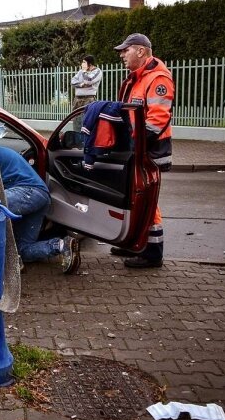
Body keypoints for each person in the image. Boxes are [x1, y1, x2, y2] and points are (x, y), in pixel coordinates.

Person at [111, 33, 174, 268]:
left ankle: (152, 253)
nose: (121, 55)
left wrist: (136, 145)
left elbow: (156, 121)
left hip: (150, 150)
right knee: (135, 198)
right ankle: (134, 243)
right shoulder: (138, 79)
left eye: (125, 50)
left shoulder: (157, 79)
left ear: (140, 51)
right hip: (138, 149)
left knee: (147, 200)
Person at [0, 144, 80, 274]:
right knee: (24, 249)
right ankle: (62, 245)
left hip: (27, 191)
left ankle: (10, 260)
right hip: (41, 197)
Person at [70, 55, 102, 130]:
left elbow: (89, 80)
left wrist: (84, 72)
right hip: (77, 100)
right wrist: (81, 84)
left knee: (87, 122)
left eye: (84, 62)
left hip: (88, 99)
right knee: (76, 121)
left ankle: (86, 140)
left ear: (90, 64)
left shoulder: (97, 71)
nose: (82, 64)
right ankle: (77, 138)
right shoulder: (80, 71)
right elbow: (72, 81)